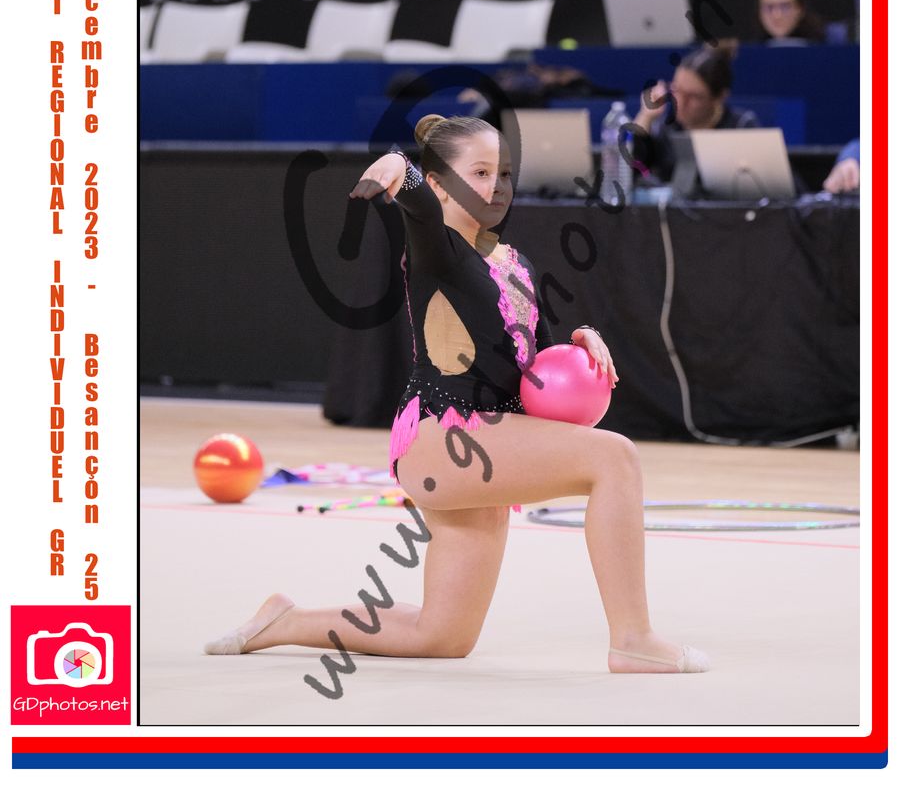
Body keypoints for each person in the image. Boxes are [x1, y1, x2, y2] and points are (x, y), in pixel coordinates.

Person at [204, 113, 709, 673]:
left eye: (503, 173)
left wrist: (580, 340)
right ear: (440, 183)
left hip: (489, 445)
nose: (497, 186)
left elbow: (536, 365)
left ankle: (285, 620)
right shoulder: (437, 248)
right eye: (480, 173)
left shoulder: (514, 262)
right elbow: (417, 207)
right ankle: (633, 638)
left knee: (442, 637)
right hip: (445, 437)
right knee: (615, 458)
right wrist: (398, 167)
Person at [631, 44, 758, 185]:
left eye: (693, 96)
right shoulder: (665, 127)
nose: (680, 102)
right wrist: (645, 116)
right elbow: (633, 172)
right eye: (677, 89)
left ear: (719, 97)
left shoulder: (740, 127)